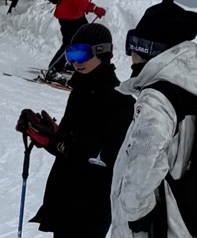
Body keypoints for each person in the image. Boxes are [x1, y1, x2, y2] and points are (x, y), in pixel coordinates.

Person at [110, 0, 197, 238]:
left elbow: (144, 161)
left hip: (151, 229)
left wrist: (134, 217)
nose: (131, 54)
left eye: (135, 44)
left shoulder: (157, 99)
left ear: (151, 49)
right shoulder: (190, 88)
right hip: (180, 223)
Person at [16, 23, 134, 238]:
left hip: (90, 207)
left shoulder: (120, 100)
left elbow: (109, 155)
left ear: (102, 52)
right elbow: (68, 148)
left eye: (81, 54)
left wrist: (61, 139)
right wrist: (46, 136)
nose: (75, 62)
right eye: (71, 54)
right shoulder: (81, 91)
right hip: (66, 198)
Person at [48, 0, 110, 77]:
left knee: (83, 38)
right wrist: (95, 9)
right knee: (70, 42)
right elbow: (79, 1)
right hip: (68, 14)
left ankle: (70, 64)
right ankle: (53, 70)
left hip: (74, 13)